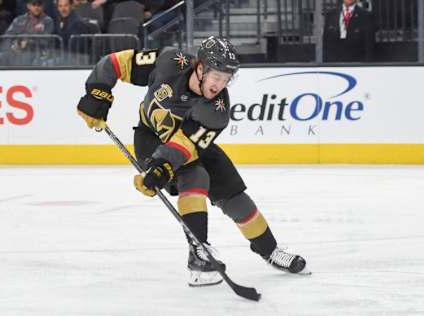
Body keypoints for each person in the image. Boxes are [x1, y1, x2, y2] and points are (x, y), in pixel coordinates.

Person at [76, 36, 309, 287]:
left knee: (234, 195)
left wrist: (161, 168)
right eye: (216, 76)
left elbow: (185, 146)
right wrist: (97, 93)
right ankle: (199, 252)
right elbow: (114, 63)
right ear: (200, 68)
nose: (220, 84)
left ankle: (270, 250)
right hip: (149, 139)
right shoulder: (169, 61)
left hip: (187, 146)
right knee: (195, 177)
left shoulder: (217, 110)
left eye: (226, 78)